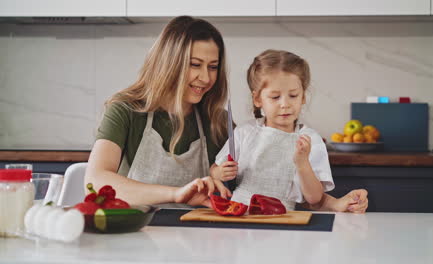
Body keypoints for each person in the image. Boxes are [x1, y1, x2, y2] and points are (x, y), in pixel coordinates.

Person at [85, 15, 367, 212]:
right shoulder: (124, 110)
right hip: (134, 232)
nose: (205, 78)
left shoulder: (218, 121)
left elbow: (270, 182)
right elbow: (96, 182)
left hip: (200, 239)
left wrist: (336, 203)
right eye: (195, 64)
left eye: (213, 66)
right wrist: (175, 195)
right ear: (168, 63)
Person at [211, 49, 368, 213]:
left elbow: (314, 198)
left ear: (303, 97)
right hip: (239, 212)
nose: (285, 104)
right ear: (257, 99)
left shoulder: (310, 139)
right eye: (275, 97)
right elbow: (214, 169)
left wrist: (302, 163)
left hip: (282, 217)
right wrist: (220, 172)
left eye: (293, 95)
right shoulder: (244, 132)